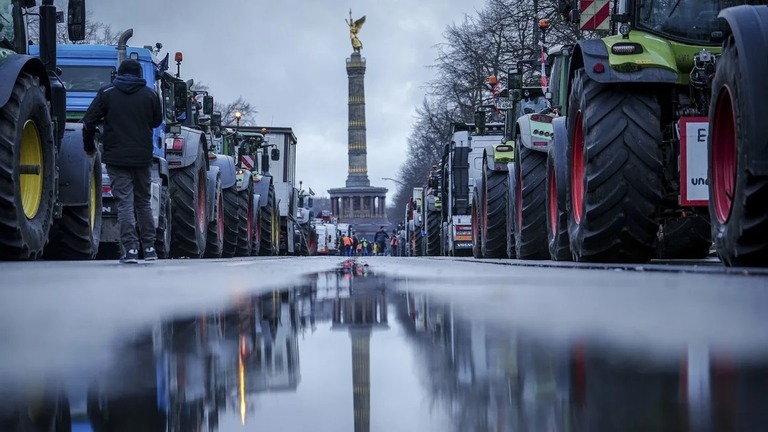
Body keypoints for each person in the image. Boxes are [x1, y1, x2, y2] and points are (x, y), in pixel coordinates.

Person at [83, 59, 163, 264]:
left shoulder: (107, 93)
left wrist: (89, 147)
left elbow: (89, 121)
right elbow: (156, 121)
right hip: (142, 158)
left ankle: (131, 251)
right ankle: (150, 248)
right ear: (139, 74)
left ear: (119, 73)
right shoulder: (151, 95)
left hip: (116, 158)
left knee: (125, 204)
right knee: (143, 202)